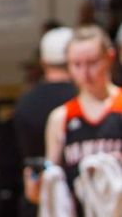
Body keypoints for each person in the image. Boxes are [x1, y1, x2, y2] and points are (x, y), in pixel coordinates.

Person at [25, 25, 122, 214]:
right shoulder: (61, 117)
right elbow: (45, 190)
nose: (84, 73)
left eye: (92, 63)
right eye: (76, 64)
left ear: (110, 58)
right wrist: (35, 183)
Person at [11, 26, 76, 217]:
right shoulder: (82, 100)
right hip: (76, 198)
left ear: (43, 62)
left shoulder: (25, 102)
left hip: (36, 197)